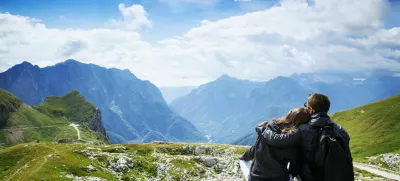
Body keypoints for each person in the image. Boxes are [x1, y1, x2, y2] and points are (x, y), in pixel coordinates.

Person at [261, 93, 353, 181]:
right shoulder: (341, 131)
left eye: (306, 106)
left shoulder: (303, 130)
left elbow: (277, 140)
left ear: (310, 110)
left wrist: (262, 129)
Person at [240, 107, 310, 181]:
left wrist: (243, 158)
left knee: (245, 163)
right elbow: (294, 169)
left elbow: (256, 149)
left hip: (256, 178)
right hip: (279, 178)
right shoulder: (293, 142)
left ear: (289, 114)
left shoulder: (266, 130)